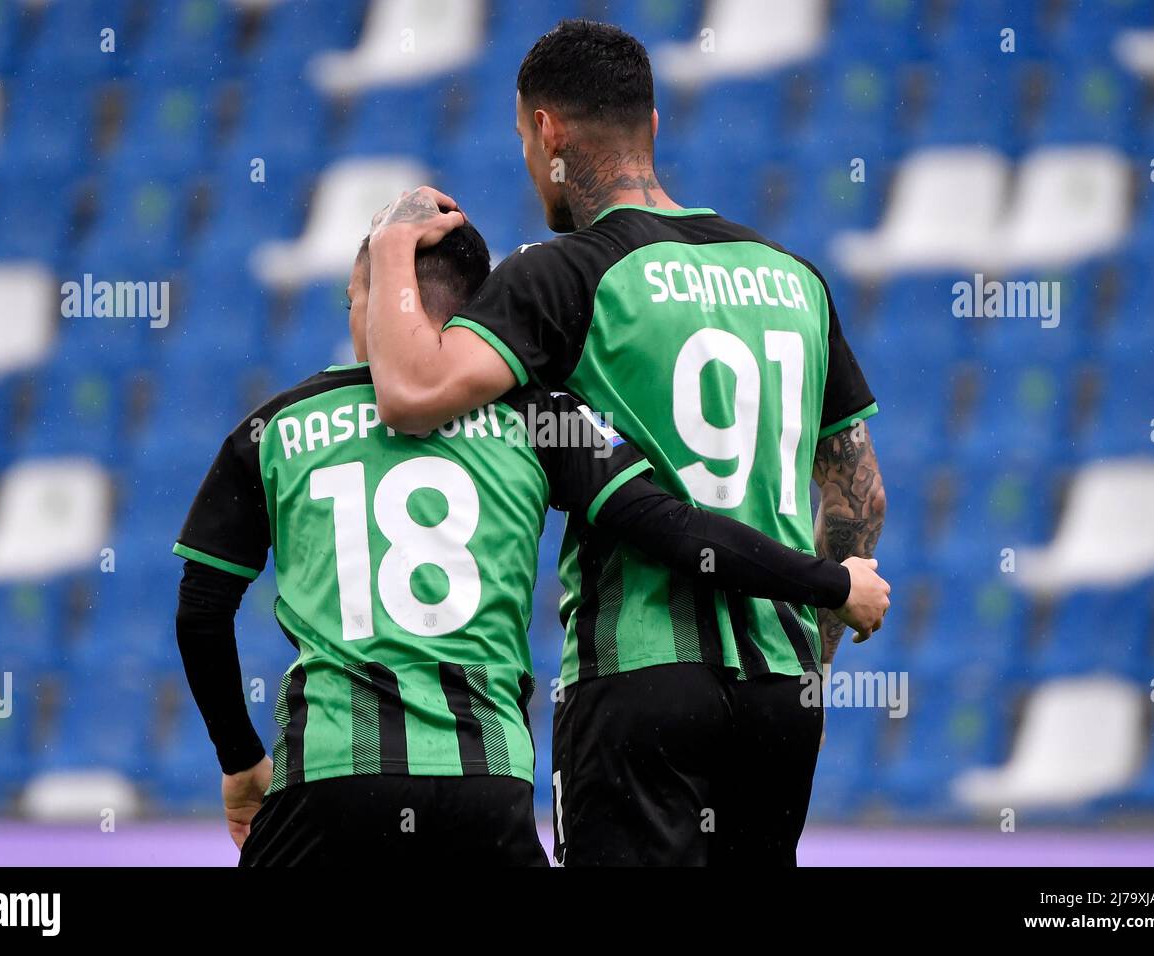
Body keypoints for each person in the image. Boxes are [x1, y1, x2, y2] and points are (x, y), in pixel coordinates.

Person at [174, 222, 890, 866]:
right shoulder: (543, 418)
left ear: (375, 298)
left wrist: (240, 761)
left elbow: (201, 613)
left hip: (327, 785)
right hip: (487, 790)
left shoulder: (272, 430)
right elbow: (677, 529)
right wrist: (830, 583)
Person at [362, 21, 887, 865]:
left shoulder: (564, 272)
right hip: (781, 691)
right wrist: (808, 661)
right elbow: (860, 497)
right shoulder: (794, 276)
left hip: (639, 678)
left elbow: (412, 393)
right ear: (652, 122)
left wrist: (391, 243)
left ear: (547, 132)